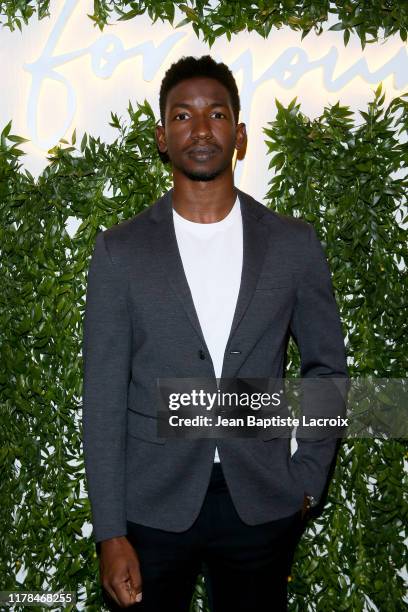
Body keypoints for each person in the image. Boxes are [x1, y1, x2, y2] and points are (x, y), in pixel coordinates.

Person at [82, 55, 348, 611]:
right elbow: (103, 395)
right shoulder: (120, 251)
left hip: (263, 503)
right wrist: (109, 530)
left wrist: (306, 482)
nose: (200, 130)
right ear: (161, 136)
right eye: (183, 115)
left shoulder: (293, 245)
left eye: (216, 114)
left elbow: (326, 368)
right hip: (151, 509)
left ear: (240, 134)